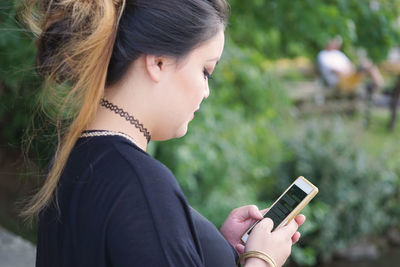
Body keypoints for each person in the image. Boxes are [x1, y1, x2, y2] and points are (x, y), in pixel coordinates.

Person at [20, 0, 306, 266]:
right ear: (158, 62)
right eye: (205, 71)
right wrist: (261, 259)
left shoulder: (73, 158)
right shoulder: (140, 185)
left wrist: (211, 245)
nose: (206, 92)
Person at [317, 37, 384, 93]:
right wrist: (347, 72)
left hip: (349, 77)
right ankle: (379, 89)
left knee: (368, 65)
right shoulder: (323, 55)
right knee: (366, 67)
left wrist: (352, 70)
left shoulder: (338, 53)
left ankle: (378, 86)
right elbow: (333, 70)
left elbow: (350, 65)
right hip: (339, 81)